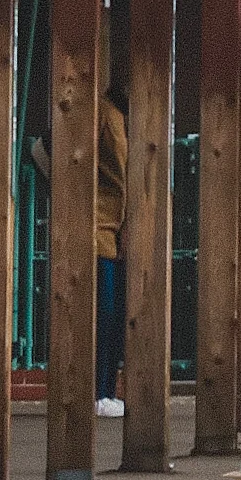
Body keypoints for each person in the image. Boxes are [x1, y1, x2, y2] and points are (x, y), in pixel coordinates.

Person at [95, 81, 128, 420]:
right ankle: (100, 390)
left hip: (109, 227)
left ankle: (104, 389)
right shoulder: (109, 115)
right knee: (104, 313)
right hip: (101, 226)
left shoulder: (112, 112)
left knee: (109, 313)